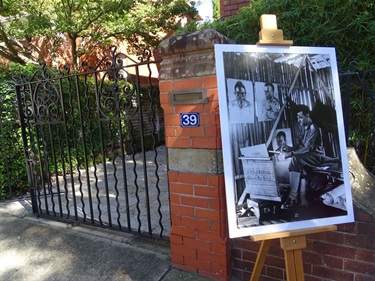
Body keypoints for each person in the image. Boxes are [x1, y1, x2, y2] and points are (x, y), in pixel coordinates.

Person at [282, 104, 322, 208]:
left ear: (307, 115)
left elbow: (307, 148)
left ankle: (292, 197)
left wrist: (291, 154)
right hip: (305, 156)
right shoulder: (302, 127)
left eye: (301, 117)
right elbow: (299, 144)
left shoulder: (313, 128)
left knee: (296, 159)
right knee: (299, 164)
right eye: (297, 118)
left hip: (315, 156)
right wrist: (289, 148)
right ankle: (302, 200)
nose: (299, 120)